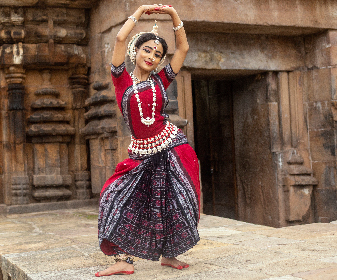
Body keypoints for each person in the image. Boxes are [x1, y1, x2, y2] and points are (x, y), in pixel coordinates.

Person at [96, 4, 200, 277]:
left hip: (172, 145)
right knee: (114, 196)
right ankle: (124, 261)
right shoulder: (121, 80)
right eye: (147, 50)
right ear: (136, 51)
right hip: (141, 151)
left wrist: (174, 16)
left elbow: (183, 49)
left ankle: (169, 255)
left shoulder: (161, 79)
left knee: (173, 200)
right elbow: (119, 38)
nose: (152, 56)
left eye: (157, 54)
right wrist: (140, 12)